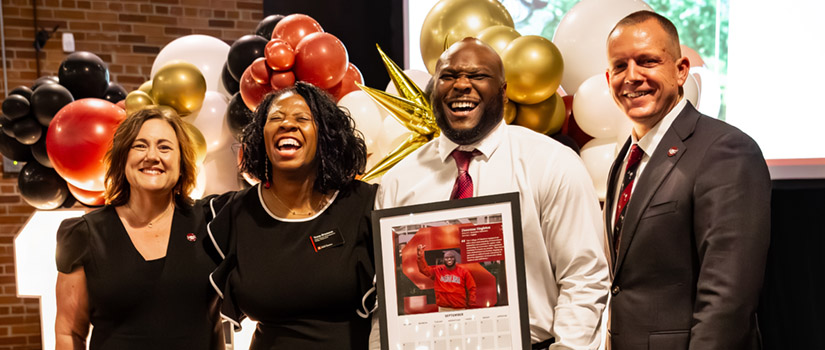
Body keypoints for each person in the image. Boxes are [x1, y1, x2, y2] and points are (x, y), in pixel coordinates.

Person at [372, 38, 609, 350]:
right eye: (448, 76)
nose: (461, 85)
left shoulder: (552, 164)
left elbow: (584, 277)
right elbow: (386, 296)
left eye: (478, 76)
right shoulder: (399, 181)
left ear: (504, 92)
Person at [604, 11, 771, 349]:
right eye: (620, 67)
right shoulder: (624, 158)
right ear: (608, 78)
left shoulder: (725, 150)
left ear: (680, 71)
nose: (632, 77)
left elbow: (728, 300)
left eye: (647, 61)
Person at [207, 82, 376, 349]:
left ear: (325, 135)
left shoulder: (365, 204)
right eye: (276, 118)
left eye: (302, 118)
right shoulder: (235, 213)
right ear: (262, 135)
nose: (287, 124)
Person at [54, 108, 225, 350]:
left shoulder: (211, 221)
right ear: (123, 157)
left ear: (181, 161)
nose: (152, 156)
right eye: (140, 146)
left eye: (165, 147)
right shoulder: (84, 234)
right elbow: (69, 332)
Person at [415, 245, 476, 310]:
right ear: (443, 259)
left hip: (459, 307)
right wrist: (420, 257)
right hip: (444, 308)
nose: (449, 259)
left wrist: (471, 304)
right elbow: (424, 270)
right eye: (446, 258)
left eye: (451, 257)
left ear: (455, 259)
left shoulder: (464, 272)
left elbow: (472, 288)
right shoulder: (438, 270)